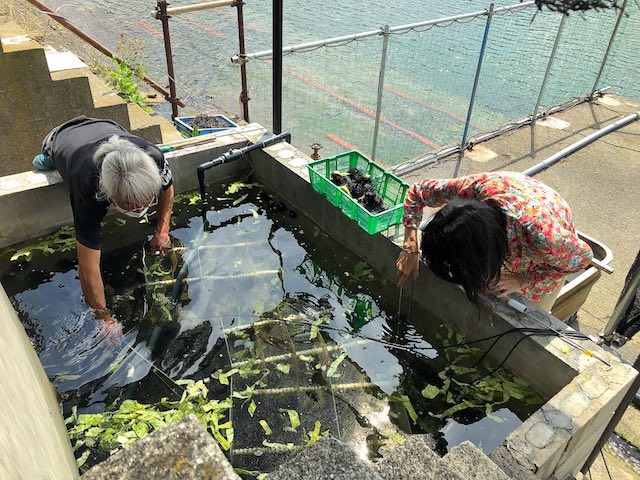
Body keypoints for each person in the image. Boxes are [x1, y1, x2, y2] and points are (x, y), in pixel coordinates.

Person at [33, 116, 175, 336]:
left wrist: (162, 231)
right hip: (59, 136)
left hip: (111, 127)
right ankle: (47, 157)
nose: (139, 209)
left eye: (146, 200)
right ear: (107, 194)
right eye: (129, 204)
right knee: (41, 163)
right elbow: (88, 267)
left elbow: (167, 188)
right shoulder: (87, 183)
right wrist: (104, 317)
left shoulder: (152, 156)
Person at [396, 171, 593, 311]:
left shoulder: (546, 239)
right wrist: (410, 244)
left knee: (522, 313)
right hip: (515, 198)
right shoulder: (474, 188)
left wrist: (522, 279)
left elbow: (582, 259)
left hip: (545, 248)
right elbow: (417, 192)